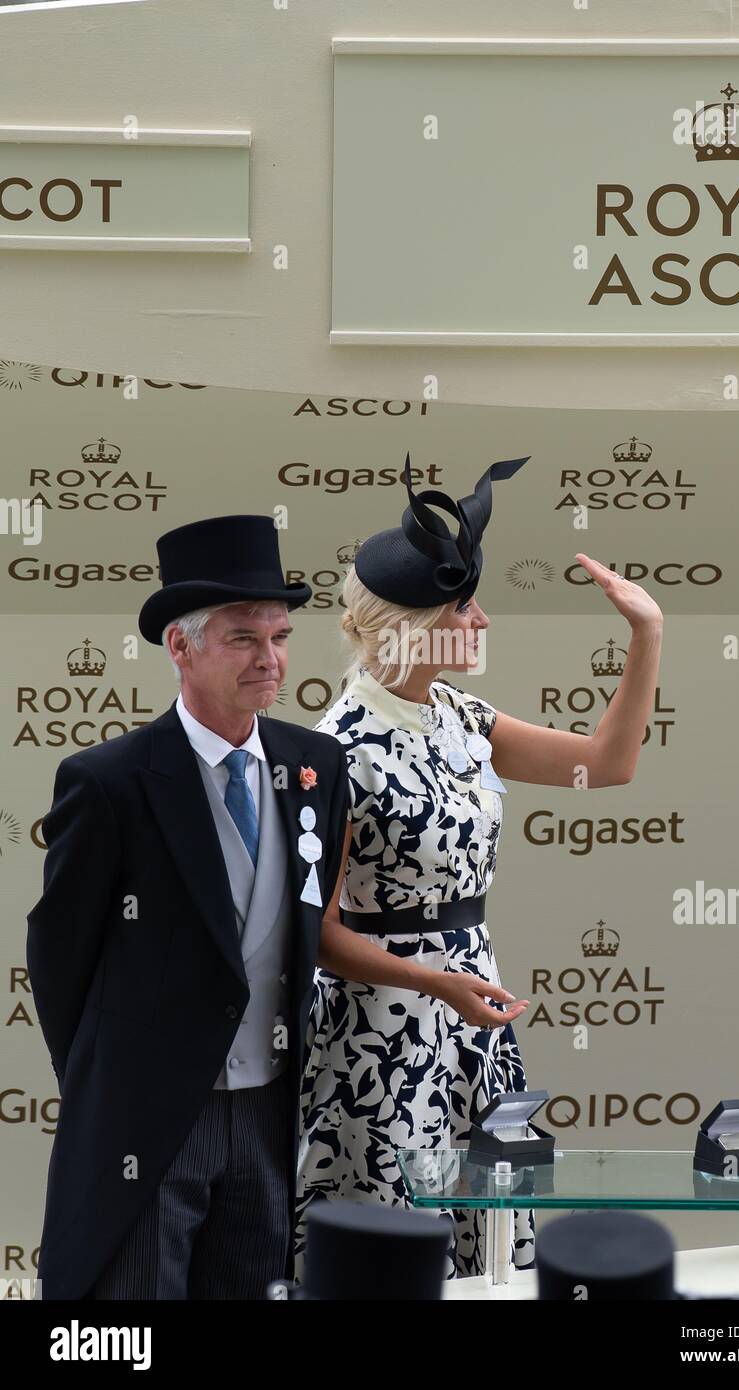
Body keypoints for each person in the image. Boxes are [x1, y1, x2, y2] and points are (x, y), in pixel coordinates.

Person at [293, 455, 664, 1279]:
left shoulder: (463, 716)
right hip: (379, 1031)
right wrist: (435, 985)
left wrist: (645, 634)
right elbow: (317, 935)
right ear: (412, 623)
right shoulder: (339, 748)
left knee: (488, 1246)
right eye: (466, 609)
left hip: (471, 1010)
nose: (484, 623)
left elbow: (606, 764)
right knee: (388, 1254)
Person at [26, 514, 351, 1300]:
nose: (269, 659)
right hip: (150, 1120)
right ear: (181, 647)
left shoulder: (317, 765)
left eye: (278, 637)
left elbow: (302, 924)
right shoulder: (108, 782)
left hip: (270, 1110)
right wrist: (118, 1088)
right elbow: (60, 957)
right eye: (243, 638)